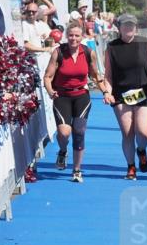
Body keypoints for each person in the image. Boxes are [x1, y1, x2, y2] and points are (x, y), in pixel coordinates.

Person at [43, 21, 103, 183]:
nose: (73, 38)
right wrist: (50, 91)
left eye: (77, 35)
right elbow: (47, 77)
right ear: (66, 36)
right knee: (64, 133)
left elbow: (95, 75)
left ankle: (76, 170)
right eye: (70, 35)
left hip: (81, 96)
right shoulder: (58, 52)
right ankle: (63, 151)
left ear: (82, 37)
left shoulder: (88, 52)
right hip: (61, 96)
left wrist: (105, 92)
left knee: (79, 131)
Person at [102, 14, 147, 180]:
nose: (129, 28)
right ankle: (131, 166)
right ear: (119, 28)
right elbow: (108, 75)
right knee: (127, 133)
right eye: (125, 25)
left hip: (144, 92)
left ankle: (141, 150)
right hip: (121, 94)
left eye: (132, 25)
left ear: (136, 28)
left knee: (143, 133)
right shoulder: (112, 47)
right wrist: (107, 92)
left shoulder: (144, 43)